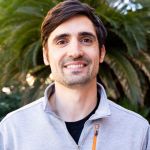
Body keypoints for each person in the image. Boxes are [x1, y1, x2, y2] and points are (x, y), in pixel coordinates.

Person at [0, 0, 149, 149]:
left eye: (86, 40)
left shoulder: (137, 131)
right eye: (62, 41)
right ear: (46, 55)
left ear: (101, 53)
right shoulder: (11, 131)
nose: (75, 52)